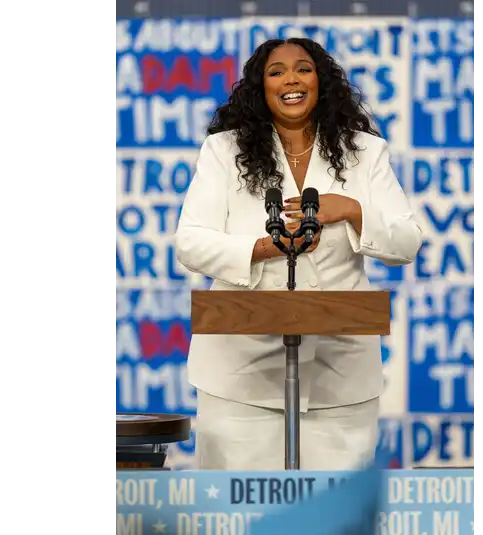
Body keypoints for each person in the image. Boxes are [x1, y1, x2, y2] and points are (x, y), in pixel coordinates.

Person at [174, 37, 422, 470]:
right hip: (241, 372)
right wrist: (262, 248)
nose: (291, 79)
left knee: (334, 515)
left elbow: (406, 242)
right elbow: (190, 242)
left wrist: (353, 211)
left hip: (338, 374)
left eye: (303, 69)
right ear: (261, 87)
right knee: (239, 512)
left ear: (321, 81)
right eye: (276, 72)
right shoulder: (225, 150)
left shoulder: (365, 152)